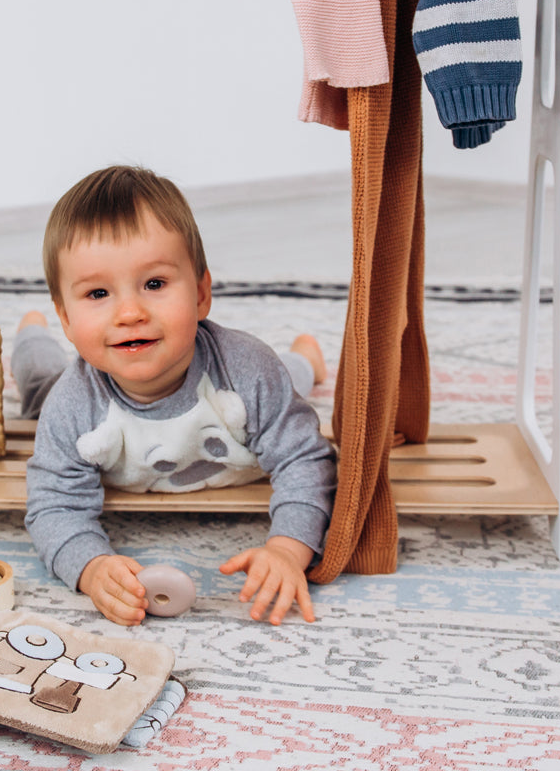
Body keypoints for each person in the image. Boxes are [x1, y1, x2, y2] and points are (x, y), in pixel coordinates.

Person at [19, 165, 337, 627]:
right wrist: (90, 567)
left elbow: (307, 460)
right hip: (63, 388)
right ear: (66, 316)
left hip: (244, 379)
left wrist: (288, 549)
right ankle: (33, 334)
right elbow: (53, 504)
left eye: (154, 284)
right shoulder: (71, 404)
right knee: (37, 386)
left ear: (202, 293)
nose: (130, 312)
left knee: (284, 379)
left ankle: (306, 358)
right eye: (98, 293)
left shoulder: (247, 370)